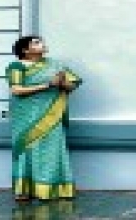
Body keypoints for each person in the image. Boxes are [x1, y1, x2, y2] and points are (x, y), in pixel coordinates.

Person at [6, 35, 82, 203]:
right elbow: (17, 90)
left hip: (52, 115)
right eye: (36, 42)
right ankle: (24, 190)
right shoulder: (16, 66)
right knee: (27, 150)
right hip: (26, 116)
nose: (42, 44)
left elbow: (72, 85)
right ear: (25, 50)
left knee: (52, 150)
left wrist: (63, 83)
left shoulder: (55, 65)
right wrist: (49, 85)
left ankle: (52, 189)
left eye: (41, 41)